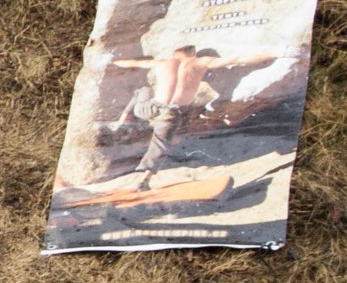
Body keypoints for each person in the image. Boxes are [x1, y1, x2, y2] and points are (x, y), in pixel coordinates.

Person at [102, 44, 279, 182]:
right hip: (171, 113)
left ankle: (125, 117)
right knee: (161, 143)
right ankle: (145, 179)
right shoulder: (199, 62)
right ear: (193, 53)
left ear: (175, 55)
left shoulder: (163, 63)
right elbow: (238, 59)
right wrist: (275, 54)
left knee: (143, 90)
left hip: (149, 108)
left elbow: (133, 63)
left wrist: (110, 62)